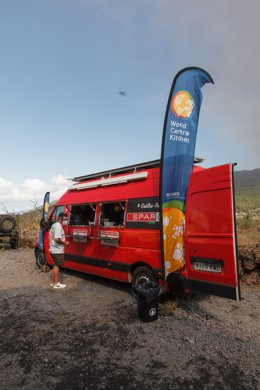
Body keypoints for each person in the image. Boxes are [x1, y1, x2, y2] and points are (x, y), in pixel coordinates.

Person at [49, 212, 69, 289]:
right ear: (61, 218)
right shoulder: (58, 226)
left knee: (55, 265)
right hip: (57, 250)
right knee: (57, 266)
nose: (66, 220)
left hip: (53, 249)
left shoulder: (54, 225)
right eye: (65, 219)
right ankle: (56, 284)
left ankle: (54, 282)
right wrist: (65, 242)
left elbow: (50, 237)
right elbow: (57, 239)